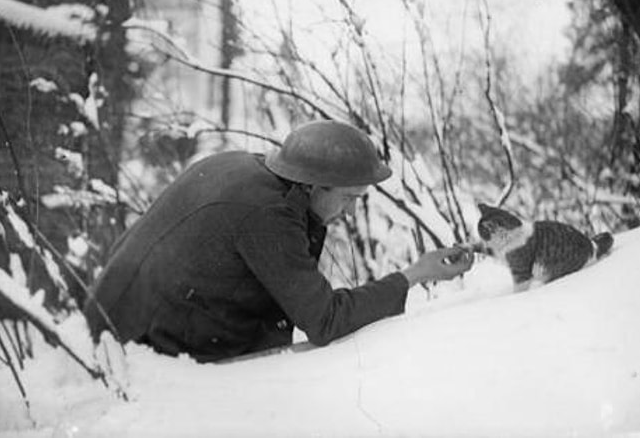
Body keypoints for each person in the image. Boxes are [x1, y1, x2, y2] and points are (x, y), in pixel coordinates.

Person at [83, 120, 473, 362]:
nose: (351, 214)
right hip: (145, 352)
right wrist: (414, 275)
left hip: (116, 317)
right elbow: (325, 320)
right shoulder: (268, 213)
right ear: (314, 185)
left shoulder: (250, 168)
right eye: (349, 199)